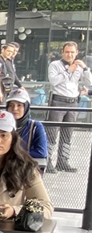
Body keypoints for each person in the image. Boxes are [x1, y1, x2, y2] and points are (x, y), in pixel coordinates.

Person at [44, 41, 91, 173]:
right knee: (52, 133)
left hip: (73, 102)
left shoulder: (79, 66)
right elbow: (53, 81)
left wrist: (85, 68)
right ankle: (47, 161)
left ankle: (63, 161)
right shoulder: (55, 65)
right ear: (62, 52)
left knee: (67, 133)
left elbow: (89, 82)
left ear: (77, 53)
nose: (69, 54)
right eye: (67, 52)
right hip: (58, 101)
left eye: (72, 52)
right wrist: (68, 70)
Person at [5, 88, 48, 164]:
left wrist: (12, 152)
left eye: (19, 105)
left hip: (26, 167)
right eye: (11, 105)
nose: (15, 109)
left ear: (26, 107)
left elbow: (41, 152)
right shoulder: (2, 125)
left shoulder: (35, 126)